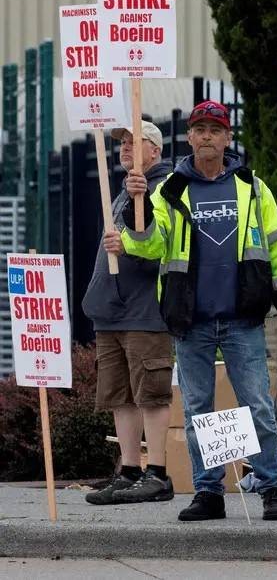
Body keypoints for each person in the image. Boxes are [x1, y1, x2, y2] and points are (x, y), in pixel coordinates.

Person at [106, 100, 277, 522]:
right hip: (190, 319)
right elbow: (149, 247)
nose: (207, 136)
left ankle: (272, 488)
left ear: (228, 138)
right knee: (197, 412)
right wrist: (139, 213)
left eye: (215, 129)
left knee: (258, 406)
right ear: (190, 137)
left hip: (241, 317)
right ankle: (209, 492)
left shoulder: (253, 187)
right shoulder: (169, 189)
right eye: (200, 129)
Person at [83, 120, 175, 505]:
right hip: (112, 311)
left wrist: (129, 243)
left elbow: (162, 243)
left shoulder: (165, 188)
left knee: (150, 393)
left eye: (135, 142)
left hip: (145, 309)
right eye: (122, 143)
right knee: (119, 394)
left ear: (155, 150)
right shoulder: (123, 191)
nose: (125, 148)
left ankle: (158, 473)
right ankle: (130, 470)